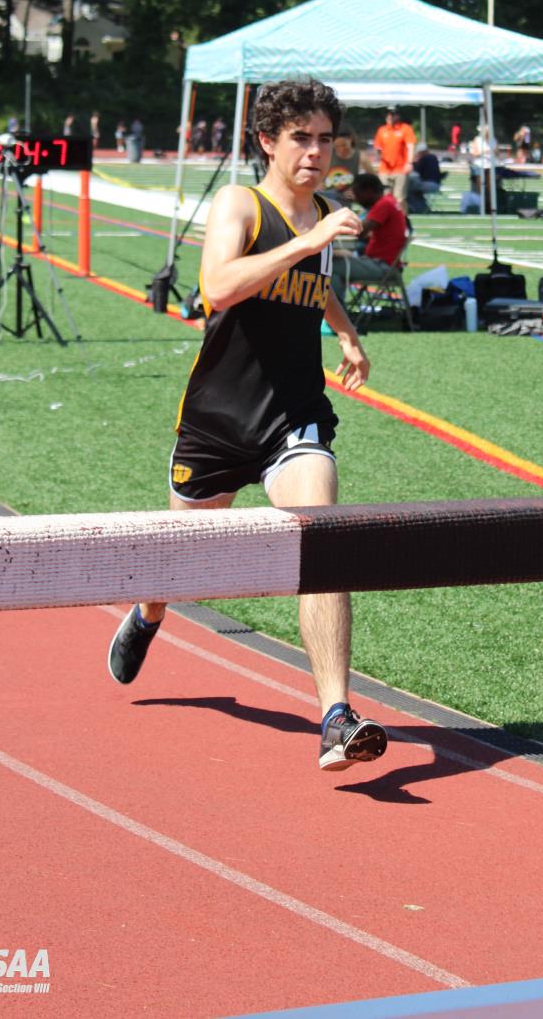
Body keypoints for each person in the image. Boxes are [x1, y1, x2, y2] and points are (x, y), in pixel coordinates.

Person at [107, 79, 387, 773]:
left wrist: (346, 332)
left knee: (322, 538)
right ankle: (149, 612)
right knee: (178, 557)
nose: (316, 152)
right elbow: (219, 286)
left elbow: (316, 283)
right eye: (301, 138)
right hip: (219, 421)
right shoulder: (241, 204)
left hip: (295, 416)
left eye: (326, 139)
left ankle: (335, 716)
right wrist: (308, 240)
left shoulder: (326, 213)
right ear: (267, 141)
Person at [330, 173, 408, 304]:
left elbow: (359, 231)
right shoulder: (389, 201)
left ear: (368, 191)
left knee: (332, 267)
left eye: (357, 194)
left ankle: (336, 312)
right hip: (384, 264)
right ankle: (338, 310)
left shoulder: (383, 204)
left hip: (383, 266)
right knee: (336, 265)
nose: (356, 198)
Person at [372, 107, 415, 208]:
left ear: (398, 116)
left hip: (400, 169)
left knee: (399, 198)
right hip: (384, 169)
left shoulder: (405, 128)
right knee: (384, 198)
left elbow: (411, 146)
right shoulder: (382, 130)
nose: (389, 116)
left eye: (392, 114)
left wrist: (409, 163)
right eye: (388, 114)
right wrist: (378, 152)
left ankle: (403, 217)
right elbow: (377, 147)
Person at [322, 126, 358, 204]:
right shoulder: (327, 155)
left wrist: (357, 192)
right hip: (328, 198)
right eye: (336, 146)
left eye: (344, 145)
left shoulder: (360, 157)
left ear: (351, 139)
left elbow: (371, 182)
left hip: (348, 201)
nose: (341, 149)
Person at [406, 145, 442, 214]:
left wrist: (414, 162)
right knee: (414, 189)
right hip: (436, 184)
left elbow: (417, 172)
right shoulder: (433, 158)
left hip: (428, 184)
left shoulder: (424, 159)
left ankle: (418, 207)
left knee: (407, 189)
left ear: (421, 152)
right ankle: (422, 206)